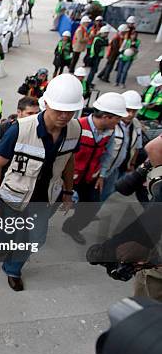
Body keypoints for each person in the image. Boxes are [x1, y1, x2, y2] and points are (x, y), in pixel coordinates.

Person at [0, 74, 83, 291]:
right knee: (5, 232)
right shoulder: (20, 129)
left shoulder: (75, 130)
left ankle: (12, 268)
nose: (64, 115)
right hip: (13, 196)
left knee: (35, 239)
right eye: (59, 109)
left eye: (69, 111)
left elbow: (69, 161)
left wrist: (68, 192)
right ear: (46, 103)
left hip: (44, 199)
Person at [61, 92, 128, 244]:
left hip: (91, 178)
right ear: (106, 117)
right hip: (68, 178)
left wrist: (102, 175)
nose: (119, 123)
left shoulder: (110, 132)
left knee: (91, 208)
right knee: (50, 205)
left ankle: (71, 227)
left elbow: (108, 155)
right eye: (117, 118)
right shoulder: (76, 126)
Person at [99, 91, 143, 201]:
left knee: (110, 192)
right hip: (108, 168)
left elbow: (137, 145)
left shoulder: (136, 124)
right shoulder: (111, 124)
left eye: (134, 111)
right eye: (128, 110)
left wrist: (132, 163)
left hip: (123, 167)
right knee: (99, 194)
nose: (131, 114)